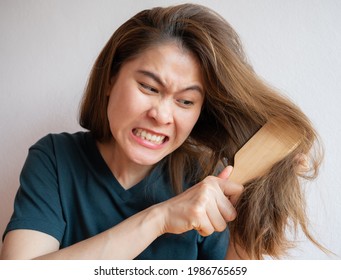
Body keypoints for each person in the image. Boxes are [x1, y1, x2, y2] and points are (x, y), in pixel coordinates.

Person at [0, 3, 325, 260]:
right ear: (111, 78)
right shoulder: (56, 158)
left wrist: (257, 209)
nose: (161, 115)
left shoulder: (211, 179)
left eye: (185, 100)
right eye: (149, 87)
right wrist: (159, 218)